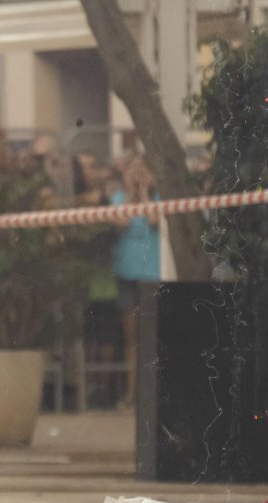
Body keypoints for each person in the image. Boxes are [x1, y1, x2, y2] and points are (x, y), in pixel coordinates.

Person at [112, 155, 159, 407]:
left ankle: (151, 394)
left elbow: (153, 220)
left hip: (151, 274)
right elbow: (121, 222)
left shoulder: (158, 199)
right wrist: (131, 192)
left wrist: (145, 193)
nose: (138, 174)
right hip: (127, 274)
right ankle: (132, 393)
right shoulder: (118, 199)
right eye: (133, 170)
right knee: (132, 339)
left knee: (152, 336)